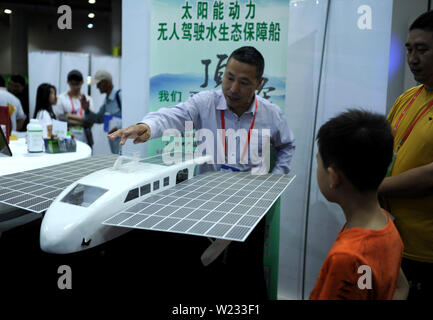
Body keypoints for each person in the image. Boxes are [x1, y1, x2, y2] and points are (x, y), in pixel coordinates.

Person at [109, 46, 295, 299]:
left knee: (245, 272)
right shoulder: (205, 102)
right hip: (206, 204)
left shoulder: (271, 115)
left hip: (250, 206)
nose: (232, 89)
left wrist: (275, 180)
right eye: (229, 77)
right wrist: (147, 126)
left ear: (259, 83)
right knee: (202, 276)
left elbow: (286, 145)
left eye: (243, 82)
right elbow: (174, 116)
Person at [310, 109, 407, 300]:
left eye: (318, 163)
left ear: (333, 177)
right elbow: (400, 288)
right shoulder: (387, 226)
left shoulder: (347, 258)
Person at [378, 10, 433, 300]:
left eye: (422, 50)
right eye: (409, 49)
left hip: (426, 252)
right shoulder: (408, 98)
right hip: (391, 238)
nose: (413, 58)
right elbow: (381, 148)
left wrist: (373, 188)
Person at [82, 70, 122, 154]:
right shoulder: (106, 100)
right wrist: (87, 110)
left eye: (98, 83)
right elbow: (99, 118)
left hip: (124, 143)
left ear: (106, 83)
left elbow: (132, 117)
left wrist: (118, 128)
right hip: (114, 144)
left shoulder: (120, 96)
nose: (97, 87)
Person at [54, 69, 94, 146]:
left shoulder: (88, 99)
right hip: (66, 138)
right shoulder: (62, 98)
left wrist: (68, 116)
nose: (75, 87)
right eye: (73, 84)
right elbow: (60, 120)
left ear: (82, 82)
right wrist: (83, 121)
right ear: (68, 82)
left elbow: (90, 121)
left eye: (77, 84)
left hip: (85, 138)